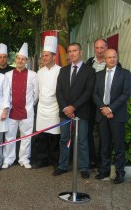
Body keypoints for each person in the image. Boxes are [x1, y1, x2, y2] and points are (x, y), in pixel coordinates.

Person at [53, 42, 95, 179]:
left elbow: (88, 92)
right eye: (70, 51)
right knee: (64, 139)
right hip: (65, 112)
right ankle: (62, 166)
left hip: (81, 111)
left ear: (81, 52)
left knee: (82, 140)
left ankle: (83, 167)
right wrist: (66, 108)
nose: (72, 53)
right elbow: (58, 91)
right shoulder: (63, 70)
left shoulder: (89, 71)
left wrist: (73, 107)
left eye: (75, 50)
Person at [93, 49, 131, 184]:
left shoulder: (125, 74)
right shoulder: (98, 75)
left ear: (117, 57)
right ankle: (104, 170)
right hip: (102, 115)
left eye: (114, 57)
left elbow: (126, 94)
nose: (112, 59)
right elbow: (95, 94)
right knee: (105, 145)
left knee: (119, 146)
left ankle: (120, 173)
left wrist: (110, 108)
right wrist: (104, 108)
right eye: (109, 57)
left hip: (117, 115)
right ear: (104, 59)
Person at [3, 43, 38, 169]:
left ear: (26, 61)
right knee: (10, 136)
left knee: (26, 137)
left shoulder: (33, 75)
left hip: (27, 111)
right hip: (11, 111)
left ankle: (24, 159)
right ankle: (9, 159)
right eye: (18, 58)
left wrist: (29, 104)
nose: (20, 61)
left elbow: (36, 94)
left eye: (23, 59)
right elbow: (6, 94)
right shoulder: (7, 75)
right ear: (15, 59)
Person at [35, 36, 61, 169]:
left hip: (55, 107)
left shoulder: (61, 71)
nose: (44, 58)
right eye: (43, 55)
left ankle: (55, 161)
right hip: (42, 108)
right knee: (42, 136)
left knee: (55, 137)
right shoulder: (39, 72)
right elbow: (37, 91)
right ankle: (42, 160)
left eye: (46, 55)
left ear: (53, 57)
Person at [86, 38, 108, 168]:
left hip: (104, 105)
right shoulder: (89, 62)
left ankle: (101, 161)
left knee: (103, 134)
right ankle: (91, 159)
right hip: (90, 105)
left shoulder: (113, 63)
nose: (99, 51)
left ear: (106, 48)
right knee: (89, 133)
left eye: (102, 48)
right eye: (97, 48)